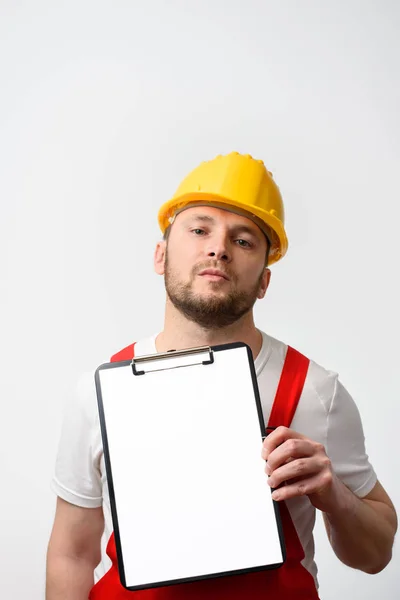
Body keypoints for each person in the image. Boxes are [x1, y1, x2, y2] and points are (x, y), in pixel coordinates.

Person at [46, 152, 397, 599]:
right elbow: (71, 553)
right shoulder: (97, 392)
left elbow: (376, 556)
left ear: (264, 281)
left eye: (245, 240)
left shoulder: (316, 392)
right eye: (199, 229)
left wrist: (334, 496)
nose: (218, 248)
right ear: (160, 255)